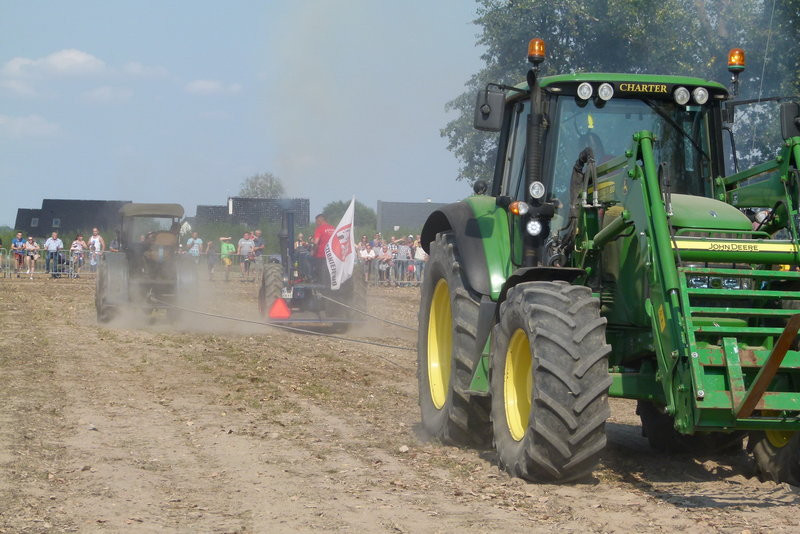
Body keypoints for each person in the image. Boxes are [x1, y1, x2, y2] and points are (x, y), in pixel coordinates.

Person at [311, 214, 334, 283]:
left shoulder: (319, 229)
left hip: (321, 255)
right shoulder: (333, 228)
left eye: (316, 222)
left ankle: (314, 279)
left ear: (319, 221)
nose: (316, 224)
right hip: (331, 256)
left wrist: (312, 251)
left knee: (308, 261)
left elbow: (316, 242)